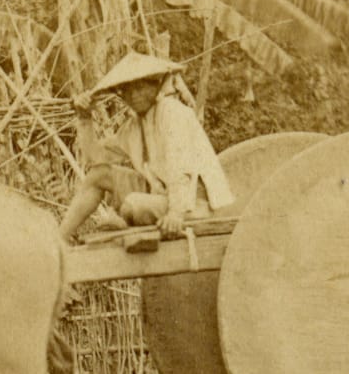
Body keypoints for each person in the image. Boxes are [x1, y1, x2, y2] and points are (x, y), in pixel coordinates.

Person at [59, 52, 235, 244]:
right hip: (161, 194)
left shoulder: (172, 112)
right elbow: (96, 157)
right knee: (99, 175)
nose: (134, 95)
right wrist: (85, 118)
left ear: (155, 85)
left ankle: (122, 220)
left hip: (194, 203)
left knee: (133, 205)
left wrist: (175, 213)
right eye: (127, 90)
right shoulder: (134, 126)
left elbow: (181, 169)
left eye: (140, 87)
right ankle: (59, 239)